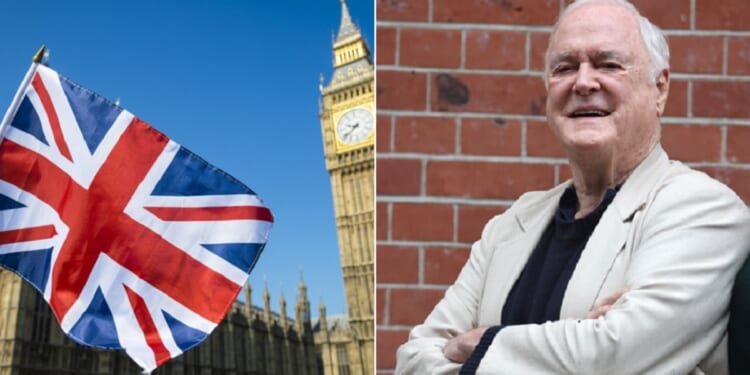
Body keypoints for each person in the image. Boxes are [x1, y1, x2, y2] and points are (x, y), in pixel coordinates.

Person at [395, 0, 750, 374]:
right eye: (564, 68)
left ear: (659, 88)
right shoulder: (511, 225)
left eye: (608, 64)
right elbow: (413, 359)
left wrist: (478, 344)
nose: (583, 82)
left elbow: (613, 357)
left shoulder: (702, 208)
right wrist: (581, 337)